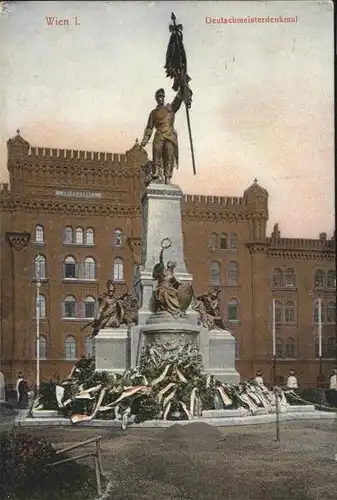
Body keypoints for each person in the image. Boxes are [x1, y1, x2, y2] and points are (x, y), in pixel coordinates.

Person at [140, 88, 183, 184]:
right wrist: (145, 140)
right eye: (159, 96)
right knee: (157, 152)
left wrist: (182, 85)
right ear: (156, 98)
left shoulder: (170, 108)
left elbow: (178, 100)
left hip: (170, 136)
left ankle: (167, 177)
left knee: (169, 156)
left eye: (163, 96)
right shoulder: (153, 113)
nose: (161, 98)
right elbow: (149, 128)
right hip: (159, 135)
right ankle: (156, 172)